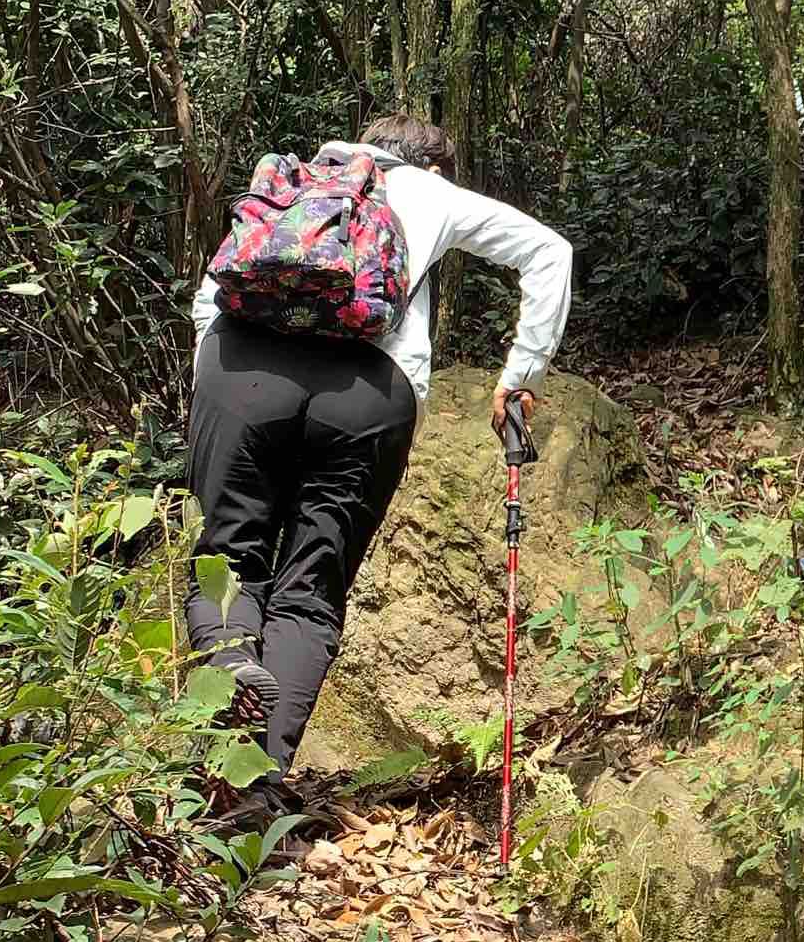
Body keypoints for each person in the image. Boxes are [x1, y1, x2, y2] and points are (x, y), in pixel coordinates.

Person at [187, 113, 573, 806]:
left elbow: (213, 292)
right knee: (310, 589)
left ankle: (226, 692)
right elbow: (550, 252)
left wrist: (214, 384)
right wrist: (522, 375)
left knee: (231, 560)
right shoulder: (430, 194)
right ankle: (253, 797)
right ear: (430, 167)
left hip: (239, 371)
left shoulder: (288, 177)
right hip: (368, 394)